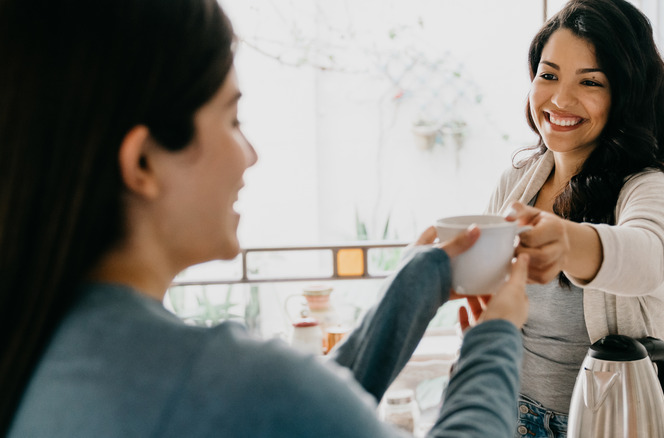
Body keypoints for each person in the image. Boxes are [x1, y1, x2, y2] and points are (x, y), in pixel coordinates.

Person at [0, 0, 532, 436]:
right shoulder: (224, 384)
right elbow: (283, 405)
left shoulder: (49, 346)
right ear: (142, 162)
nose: (249, 154)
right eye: (232, 119)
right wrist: (497, 335)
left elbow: (298, 417)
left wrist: (423, 279)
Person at [484, 0, 664, 436]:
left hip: (597, 423)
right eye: (549, 75)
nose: (560, 98)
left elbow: (647, 258)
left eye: (591, 82)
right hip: (502, 411)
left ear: (625, 94)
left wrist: (567, 241)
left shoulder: (647, 187)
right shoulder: (518, 181)